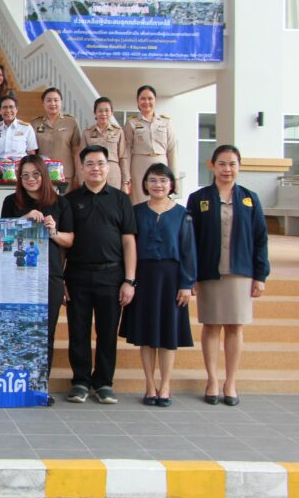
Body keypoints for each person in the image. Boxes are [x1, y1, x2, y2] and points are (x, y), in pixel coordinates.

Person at [187, 145, 269, 407]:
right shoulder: (198, 198)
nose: (227, 169)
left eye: (232, 164)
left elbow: (260, 238)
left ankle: (230, 382)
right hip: (209, 273)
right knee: (211, 326)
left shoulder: (250, 199)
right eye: (222, 163)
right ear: (212, 166)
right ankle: (212, 380)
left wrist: (260, 275)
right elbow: (190, 240)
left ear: (239, 167)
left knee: (235, 326)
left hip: (240, 272)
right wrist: (191, 275)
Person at [63, 145, 137, 405]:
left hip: (112, 276)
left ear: (108, 167)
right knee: (78, 331)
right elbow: (64, 243)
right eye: (90, 164)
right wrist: (62, 280)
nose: (96, 168)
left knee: (107, 332)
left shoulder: (121, 199)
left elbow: (128, 241)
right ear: (81, 168)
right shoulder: (70, 200)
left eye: (101, 163)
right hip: (77, 276)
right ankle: (80, 381)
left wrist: (129, 280)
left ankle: (104, 382)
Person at [1, 154, 74, 406]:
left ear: (44, 175)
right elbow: (3, 234)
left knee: (45, 333)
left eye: (35, 174)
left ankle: (41, 386)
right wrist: (23, 220)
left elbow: (70, 240)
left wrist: (53, 232)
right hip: (18, 275)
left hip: (50, 276)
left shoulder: (60, 203)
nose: (30, 179)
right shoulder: (11, 202)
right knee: (17, 330)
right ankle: (16, 384)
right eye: (25, 175)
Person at [121, 163, 196, 407]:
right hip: (144, 277)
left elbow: (188, 250)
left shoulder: (182, 214)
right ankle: (150, 385)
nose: (158, 185)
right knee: (146, 334)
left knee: (168, 334)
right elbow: (129, 247)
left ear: (171, 184)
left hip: (172, 279)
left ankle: (165, 385)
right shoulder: (137, 211)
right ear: (145, 184)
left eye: (163, 180)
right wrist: (130, 280)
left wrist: (186, 283)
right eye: (152, 180)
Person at [124, 85, 178, 204]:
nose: (146, 102)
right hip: (139, 167)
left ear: (155, 100)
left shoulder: (165, 122)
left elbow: (172, 149)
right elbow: (126, 151)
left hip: (161, 164)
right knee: (140, 201)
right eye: (143, 98)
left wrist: (174, 176)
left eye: (150, 98)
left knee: (160, 199)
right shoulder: (131, 122)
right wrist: (126, 177)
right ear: (137, 101)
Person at [32, 88, 82, 185]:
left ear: (61, 102)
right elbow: (32, 152)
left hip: (65, 174)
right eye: (49, 100)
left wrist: (78, 174)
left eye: (56, 100)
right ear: (43, 103)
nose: (53, 103)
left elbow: (76, 151)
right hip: (43, 174)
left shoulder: (71, 122)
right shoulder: (35, 123)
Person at [79, 97, 129, 191]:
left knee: (112, 199)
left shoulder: (118, 131)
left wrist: (125, 182)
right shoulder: (87, 132)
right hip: (93, 172)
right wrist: (81, 179)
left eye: (107, 110)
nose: (103, 114)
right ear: (95, 113)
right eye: (100, 111)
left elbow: (123, 157)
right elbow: (81, 158)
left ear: (111, 112)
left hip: (113, 174)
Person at [0, 94, 38, 159]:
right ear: (0, 111)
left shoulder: (26, 128)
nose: (8, 110)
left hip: (19, 164)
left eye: (11, 107)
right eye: (5, 107)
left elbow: (31, 153)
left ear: (16, 109)